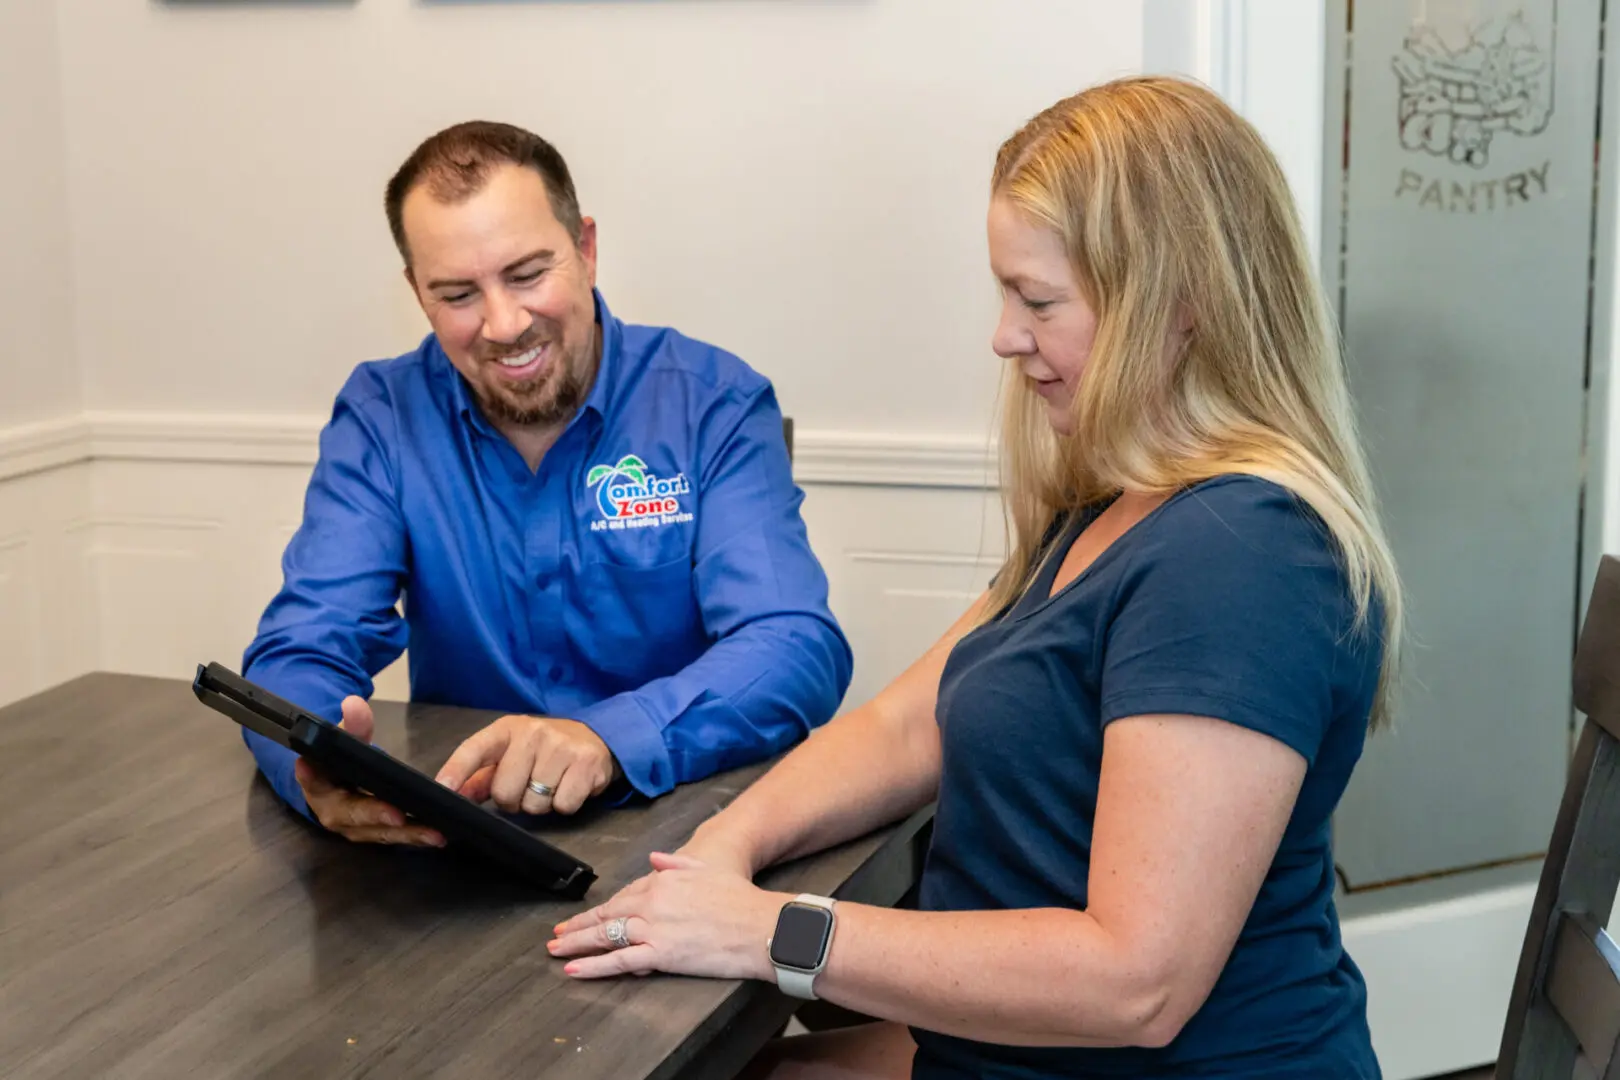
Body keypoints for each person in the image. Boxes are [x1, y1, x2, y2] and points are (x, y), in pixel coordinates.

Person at [547, 75, 1404, 1080]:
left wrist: (771, 932)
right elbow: (905, 727)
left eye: (1038, 300)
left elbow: (1137, 983)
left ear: (1180, 310)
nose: (1005, 334)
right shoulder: (1115, 505)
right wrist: (718, 859)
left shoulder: (1241, 557)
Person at [240, 121, 852, 844]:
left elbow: (793, 645)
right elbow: (300, 649)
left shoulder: (712, 403)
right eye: (458, 293)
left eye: (529, 274)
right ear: (416, 291)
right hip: (466, 840)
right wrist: (315, 762)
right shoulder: (383, 415)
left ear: (586, 249)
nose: (504, 324)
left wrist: (608, 739)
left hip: (683, 831)